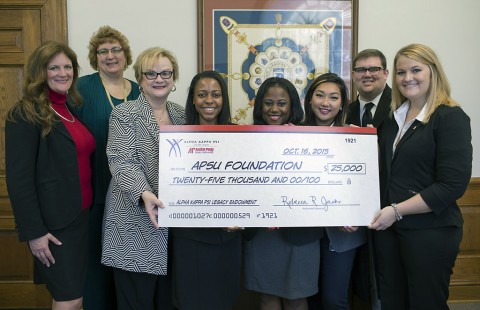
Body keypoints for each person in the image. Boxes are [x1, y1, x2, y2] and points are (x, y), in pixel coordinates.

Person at [369, 43, 472, 309]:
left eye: (416, 70)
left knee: (426, 304)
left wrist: (396, 210)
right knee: (393, 302)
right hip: (389, 232)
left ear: (433, 72)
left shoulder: (449, 116)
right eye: (401, 72)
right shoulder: (392, 120)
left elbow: (453, 185)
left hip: (431, 233)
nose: (407, 78)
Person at [5, 41, 95, 309]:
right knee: (69, 300)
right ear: (39, 72)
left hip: (80, 219)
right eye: (53, 67)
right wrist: (34, 232)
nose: (62, 73)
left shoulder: (69, 109)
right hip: (54, 227)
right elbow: (18, 179)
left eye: (68, 67)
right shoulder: (25, 113)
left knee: (74, 297)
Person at [101, 47, 185, 309]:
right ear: (139, 79)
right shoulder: (124, 114)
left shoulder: (182, 115)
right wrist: (145, 193)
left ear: (173, 78)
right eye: (151, 73)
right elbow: (122, 162)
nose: (159, 79)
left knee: (165, 302)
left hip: (171, 226)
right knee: (135, 303)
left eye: (165, 73)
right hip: (132, 223)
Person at [75, 25, 141, 310]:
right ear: (95, 57)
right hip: (94, 192)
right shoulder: (81, 89)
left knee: (126, 268)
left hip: (132, 195)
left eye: (116, 50)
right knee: (94, 269)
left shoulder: (141, 90)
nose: (110, 56)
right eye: (103, 51)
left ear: (126, 55)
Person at [244, 77, 319, 310]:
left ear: (293, 106)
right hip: (262, 234)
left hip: (300, 234)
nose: (274, 109)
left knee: (297, 297)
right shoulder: (245, 138)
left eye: (281, 103)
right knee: (267, 297)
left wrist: (300, 140)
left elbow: (318, 183)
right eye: (268, 103)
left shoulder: (311, 137)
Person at [172, 70, 242, 310]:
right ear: (193, 99)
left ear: (223, 99)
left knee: (223, 301)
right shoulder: (177, 138)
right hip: (190, 239)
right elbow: (176, 187)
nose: (209, 101)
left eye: (215, 94)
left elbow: (248, 186)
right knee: (191, 302)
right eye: (202, 95)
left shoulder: (240, 135)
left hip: (228, 239)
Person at [303, 73, 366, 309]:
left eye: (333, 97)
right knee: (309, 296)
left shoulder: (354, 135)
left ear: (342, 104)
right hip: (304, 233)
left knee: (334, 298)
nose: (325, 103)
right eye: (319, 95)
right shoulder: (293, 134)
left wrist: (355, 214)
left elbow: (364, 184)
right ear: (309, 100)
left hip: (341, 233)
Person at [347, 49, 391, 128]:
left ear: (386, 73)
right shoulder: (345, 113)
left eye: (374, 69)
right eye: (361, 70)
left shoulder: (401, 106)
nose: (367, 75)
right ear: (353, 75)